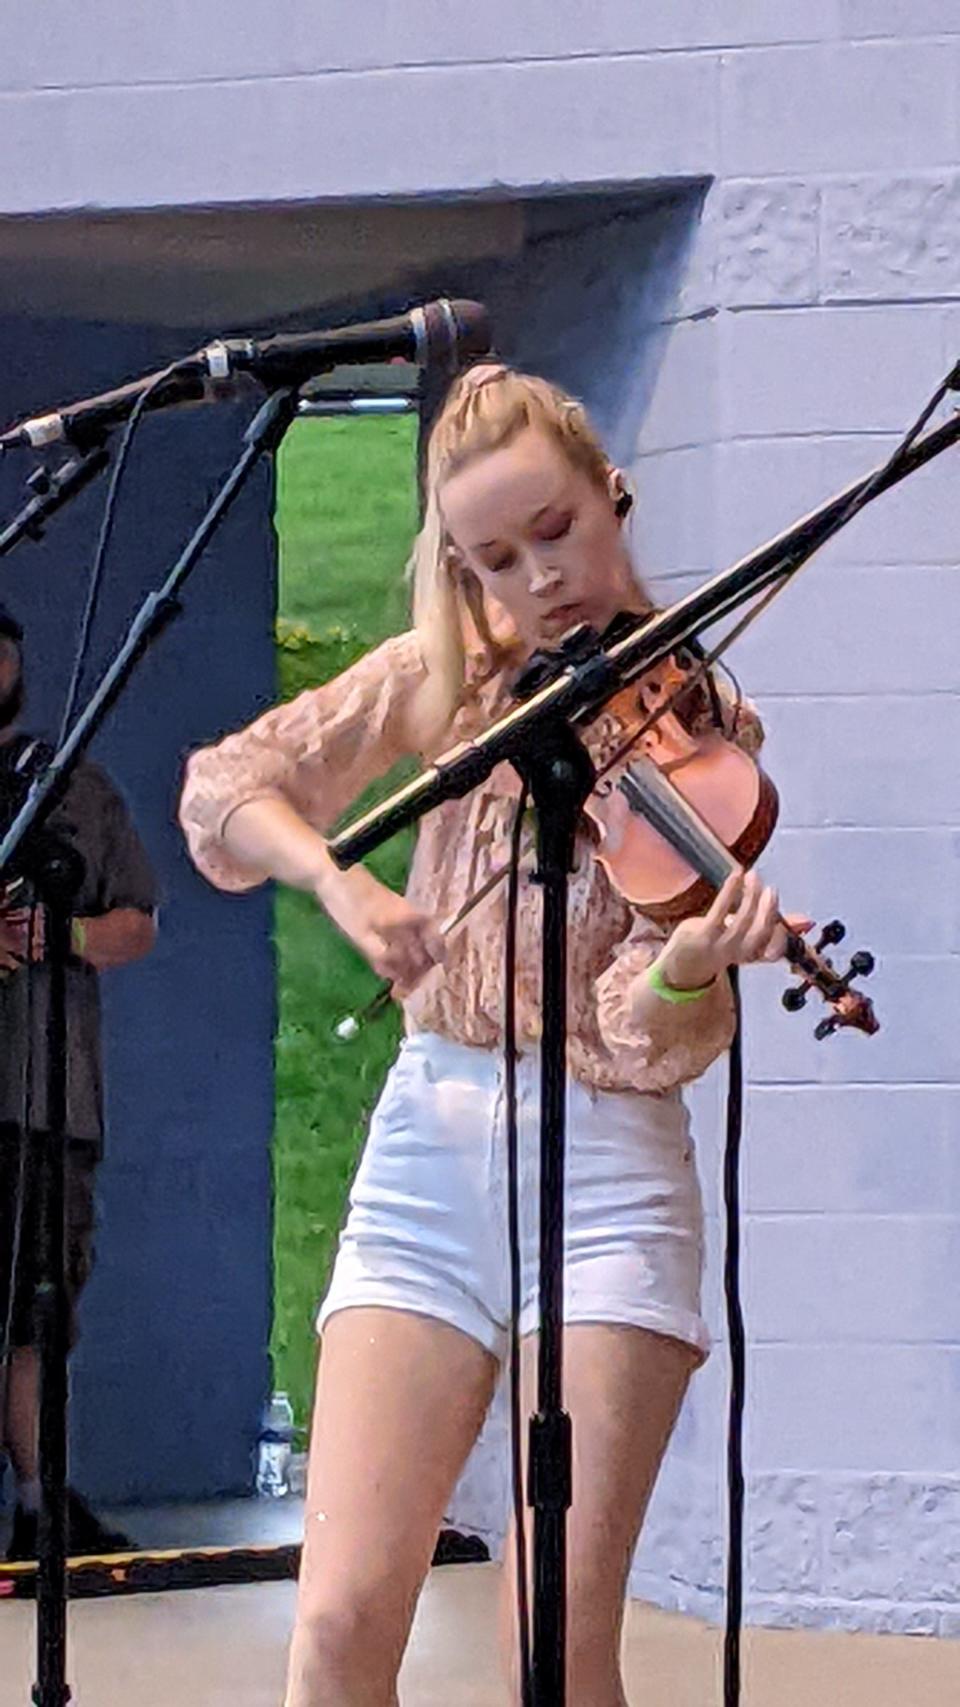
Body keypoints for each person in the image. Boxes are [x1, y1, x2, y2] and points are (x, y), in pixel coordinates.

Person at [179, 366, 804, 1707]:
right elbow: (228, 789)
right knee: (340, 1623)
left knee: (553, 1638)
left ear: (609, 492)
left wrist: (689, 962)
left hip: (609, 1170)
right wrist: (342, 878)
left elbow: (642, 1035)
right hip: (428, 1145)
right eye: (496, 557)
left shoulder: (703, 725)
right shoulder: (450, 680)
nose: (539, 578)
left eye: (558, 530)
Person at [0, 602, 158, 1560]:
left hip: (46, 1097)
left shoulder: (73, 789)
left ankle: (40, 1503)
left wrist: (54, 938)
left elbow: (135, 922)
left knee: (39, 1306)